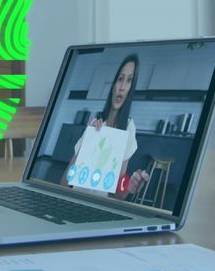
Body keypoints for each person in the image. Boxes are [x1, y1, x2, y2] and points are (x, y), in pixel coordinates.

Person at [61, 54, 150, 200]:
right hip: (74, 200)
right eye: (120, 79)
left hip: (99, 207)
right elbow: (64, 183)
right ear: (113, 85)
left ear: (131, 89)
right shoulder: (96, 122)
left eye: (129, 81)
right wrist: (88, 142)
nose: (122, 87)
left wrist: (128, 186)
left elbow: (117, 196)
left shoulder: (128, 127)